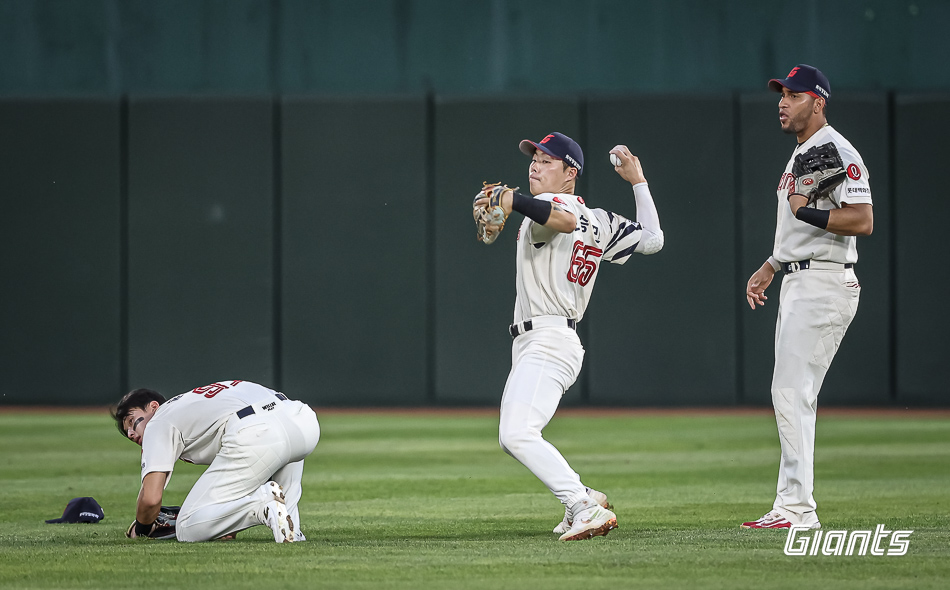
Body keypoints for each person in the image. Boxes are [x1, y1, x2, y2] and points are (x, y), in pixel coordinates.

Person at [474, 132, 664, 541]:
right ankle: (583, 495)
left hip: (547, 339)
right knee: (516, 436)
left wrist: (513, 201)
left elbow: (561, 220)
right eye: (534, 158)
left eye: (546, 160)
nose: (534, 165)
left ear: (570, 173)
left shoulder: (552, 208)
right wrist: (638, 182)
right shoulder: (600, 219)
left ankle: (582, 505)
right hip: (549, 341)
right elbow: (652, 240)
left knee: (516, 433)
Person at [743, 65, 873, 530]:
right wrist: (773, 264)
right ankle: (790, 506)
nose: (783, 101)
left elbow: (862, 220)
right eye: (781, 93)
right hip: (801, 278)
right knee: (792, 394)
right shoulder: (803, 151)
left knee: (791, 393)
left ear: (818, 102)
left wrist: (809, 213)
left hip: (824, 281)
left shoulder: (835, 148)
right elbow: (798, 224)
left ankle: (797, 510)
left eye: (794, 95)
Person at [111, 379, 320, 542]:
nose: (130, 433)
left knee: (186, 527)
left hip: (257, 430)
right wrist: (223, 524)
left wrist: (141, 529)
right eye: (126, 431)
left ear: (153, 406)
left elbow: (150, 500)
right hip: (302, 420)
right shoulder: (195, 402)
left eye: (131, 421)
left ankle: (262, 503)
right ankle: (290, 529)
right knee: (281, 504)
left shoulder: (159, 420)